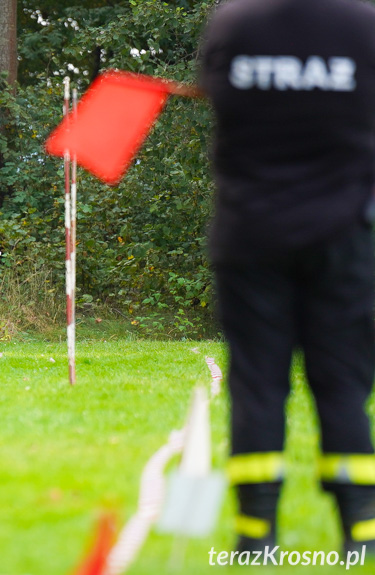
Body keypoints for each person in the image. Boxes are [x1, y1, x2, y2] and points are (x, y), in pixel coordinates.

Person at [199, 0, 375, 554]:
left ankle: (255, 540)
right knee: (344, 383)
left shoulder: (234, 23)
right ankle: (361, 536)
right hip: (344, 234)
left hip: (251, 233)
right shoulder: (364, 25)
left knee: (257, 384)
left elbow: (217, 95)